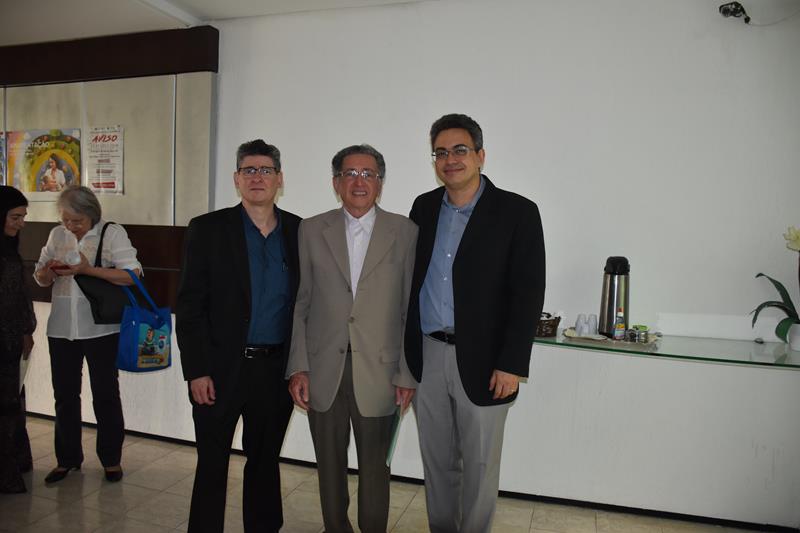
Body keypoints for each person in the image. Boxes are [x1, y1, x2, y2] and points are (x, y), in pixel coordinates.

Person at [405, 114, 546, 532]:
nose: (450, 159)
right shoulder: (423, 207)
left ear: (481, 155)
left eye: (460, 150)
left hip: (487, 361)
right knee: (437, 462)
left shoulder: (518, 212)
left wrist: (512, 363)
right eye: (441, 152)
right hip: (428, 354)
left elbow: (527, 293)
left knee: (481, 466)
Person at [287, 144, 418, 533]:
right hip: (323, 368)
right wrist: (298, 367)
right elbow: (301, 303)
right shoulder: (311, 229)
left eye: (368, 174)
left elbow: (409, 309)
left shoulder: (405, 232)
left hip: (382, 371)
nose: (359, 182)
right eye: (350, 174)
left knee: (376, 469)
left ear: (380, 182)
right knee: (328, 466)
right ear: (335, 182)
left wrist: (407, 374)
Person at [176, 140, 300, 533]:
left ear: (279, 179)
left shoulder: (299, 231)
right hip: (219, 370)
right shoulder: (208, 229)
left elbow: (306, 306)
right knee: (212, 463)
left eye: (265, 170)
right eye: (249, 170)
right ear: (236, 179)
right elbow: (190, 306)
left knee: (265, 462)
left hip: (274, 370)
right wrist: (197, 370)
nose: (257, 177)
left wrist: (302, 368)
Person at [33, 185, 141, 484]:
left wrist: (87, 270)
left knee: (105, 394)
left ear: (92, 214)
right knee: (64, 395)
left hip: (102, 329)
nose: (70, 226)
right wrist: (47, 272)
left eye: (77, 221)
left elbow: (132, 276)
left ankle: (111, 459)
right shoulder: (57, 234)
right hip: (61, 328)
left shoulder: (112, 233)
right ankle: (67, 459)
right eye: (66, 219)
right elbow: (40, 276)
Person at [0, 186, 36, 493]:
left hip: (11, 340)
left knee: (10, 405)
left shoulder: (10, 247)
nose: (20, 223)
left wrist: (27, 330)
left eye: (23, 216)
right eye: (15, 217)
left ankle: (13, 464)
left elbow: (20, 295)